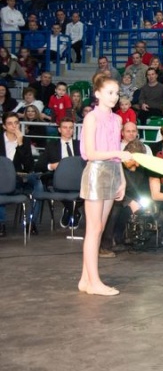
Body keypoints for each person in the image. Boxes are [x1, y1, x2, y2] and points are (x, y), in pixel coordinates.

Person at [78, 75, 133, 296]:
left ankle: (85, 279)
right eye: (110, 92)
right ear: (97, 94)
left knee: (100, 228)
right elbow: (91, 153)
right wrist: (118, 153)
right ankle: (94, 282)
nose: (114, 97)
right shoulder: (91, 118)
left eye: (117, 93)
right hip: (96, 172)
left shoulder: (117, 119)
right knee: (94, 229)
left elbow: (116, 152)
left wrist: (122, 179)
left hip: (113, 171)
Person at [34, 117, 82, 232]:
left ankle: (69, 210)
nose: (68, 130)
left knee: (89, 187)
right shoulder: (51, 146)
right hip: (58, 179)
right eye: (65, 127)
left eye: (71, 128)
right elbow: (39, 165)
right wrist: (52, 166)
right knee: (60, 186)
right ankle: (74, 212)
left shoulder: (80, 145)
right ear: (59, 129)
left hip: (78, 179)